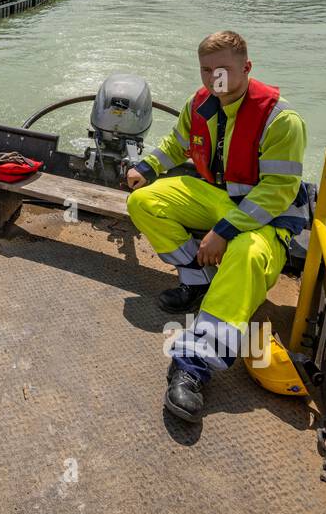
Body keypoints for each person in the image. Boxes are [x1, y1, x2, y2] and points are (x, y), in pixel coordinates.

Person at [125, 31, 308, 422]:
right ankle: (197, 280)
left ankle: (194, 364)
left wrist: (223, 232)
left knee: (245, 252)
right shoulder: (200, 103)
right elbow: (177, 144)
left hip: (268, 219)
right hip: (217, 198)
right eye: (207, 70)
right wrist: (148, 167)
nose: (214, 79)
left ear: (246, 67)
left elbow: (277, 191)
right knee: (144, 202)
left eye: (223, 69)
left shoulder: (281, 120)